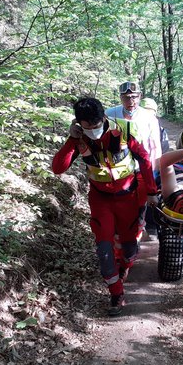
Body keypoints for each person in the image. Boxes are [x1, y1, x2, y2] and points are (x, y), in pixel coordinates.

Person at [52, 97, 159, 316]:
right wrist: (72, 140)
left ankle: (123, 268)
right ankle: (116, 294)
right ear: (79, 123)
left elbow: (145, 159)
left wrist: (151, 191)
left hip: (128, 196)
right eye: (86, 127)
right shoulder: (79, 137)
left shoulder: (125, 130)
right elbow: (58, 168)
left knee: (129, 249)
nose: (92, 131)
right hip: (101, 199)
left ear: (103, 118)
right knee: (104, 249)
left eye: (96, 125)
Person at [106, 82, 163, 240]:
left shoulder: (149, 117)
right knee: (120, 206)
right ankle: (120, 241)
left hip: (141, 169)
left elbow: (155, 144)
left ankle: (135, 237)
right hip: (117, 170)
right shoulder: (110, 114)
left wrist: (154, 171)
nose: (130, 101)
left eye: (133, 97)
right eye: (125, 97)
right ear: (120, 98)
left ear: (140, 96)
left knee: (139, 206)